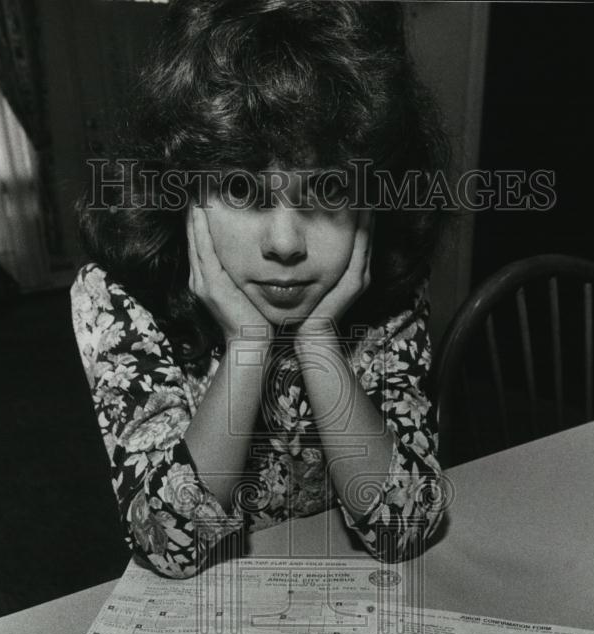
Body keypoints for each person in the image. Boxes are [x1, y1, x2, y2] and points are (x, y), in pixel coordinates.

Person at [71, 0, 449, 580]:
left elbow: (407, 526)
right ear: (186, 187)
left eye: (326, 190)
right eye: (244, 192)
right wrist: (247, 344)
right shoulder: (118, 295)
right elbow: (171, 544)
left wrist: (320, 342)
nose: (285, 243)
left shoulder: (386, 282)